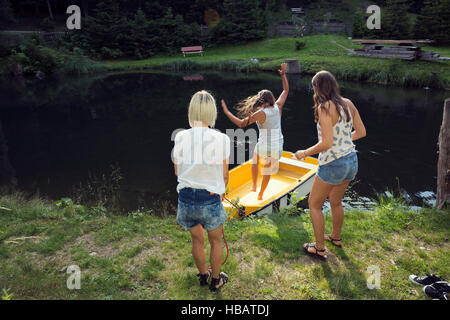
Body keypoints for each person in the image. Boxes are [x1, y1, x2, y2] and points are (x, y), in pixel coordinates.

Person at [294, 70, 366, 260]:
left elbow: (326, 143)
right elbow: (361, 132)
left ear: (317, 87)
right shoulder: (348, 103)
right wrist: (343, 143)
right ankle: (335, 237)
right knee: (335, 201)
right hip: (351, 160)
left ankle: (319, 248)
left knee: (314, 204)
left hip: (333, 164)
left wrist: (304, 153)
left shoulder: (324, 107)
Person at [173, 90, 230, 291]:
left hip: (186, 197)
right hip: (210, 198)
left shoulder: (180, 136)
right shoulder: (221, 138)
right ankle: (216, 280)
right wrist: (222, 190)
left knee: (197, 240)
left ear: (192, 111)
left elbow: (177, 170)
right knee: (215, 242)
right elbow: (224, 173)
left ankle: (203, 275)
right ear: (212, 112)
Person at [221, 63, 289, 200]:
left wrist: (227, 112)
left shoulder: (261, 113)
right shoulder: (278, 106)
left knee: (255, 161)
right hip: (278, 144)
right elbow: (286, 90)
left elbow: (241, 124)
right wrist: (283, 75)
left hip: (264, 144)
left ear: (261, 100)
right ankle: (261, 194)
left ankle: (253, 186)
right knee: (268, 170)